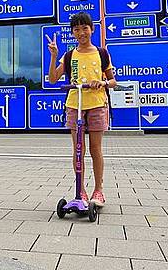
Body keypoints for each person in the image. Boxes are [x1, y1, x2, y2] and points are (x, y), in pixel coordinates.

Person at [46, 12, 116, 206]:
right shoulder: (69, 55)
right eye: (76, 29)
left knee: (95, 149)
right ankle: (81, 191)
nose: (81, 32)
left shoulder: (102, 53)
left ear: (92, 29)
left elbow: (112, 81)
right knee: (78, 150)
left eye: (84, 28)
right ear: (73, 33)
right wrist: (53, 57)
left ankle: (98, 190)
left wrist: (101, 82)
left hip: (97, 104)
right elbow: (53, 79)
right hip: (75, 105)